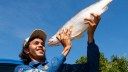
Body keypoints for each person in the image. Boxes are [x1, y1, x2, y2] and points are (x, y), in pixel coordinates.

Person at [14, 14, 100, 72]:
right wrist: (66, 48)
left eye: (42, 44)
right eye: (36, 43)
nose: (40, 45)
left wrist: (90, 36)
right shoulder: (20, 69)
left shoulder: (61, 67)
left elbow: (92, 68)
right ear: (26, 50)